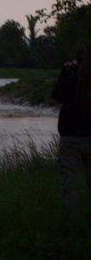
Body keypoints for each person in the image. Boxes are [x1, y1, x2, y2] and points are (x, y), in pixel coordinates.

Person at [52, 43, 91, 220]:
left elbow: (57, 95)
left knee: (69, 182)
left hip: (69, 137)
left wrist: (66, 72)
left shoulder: (71, 75)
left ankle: (73, 220)